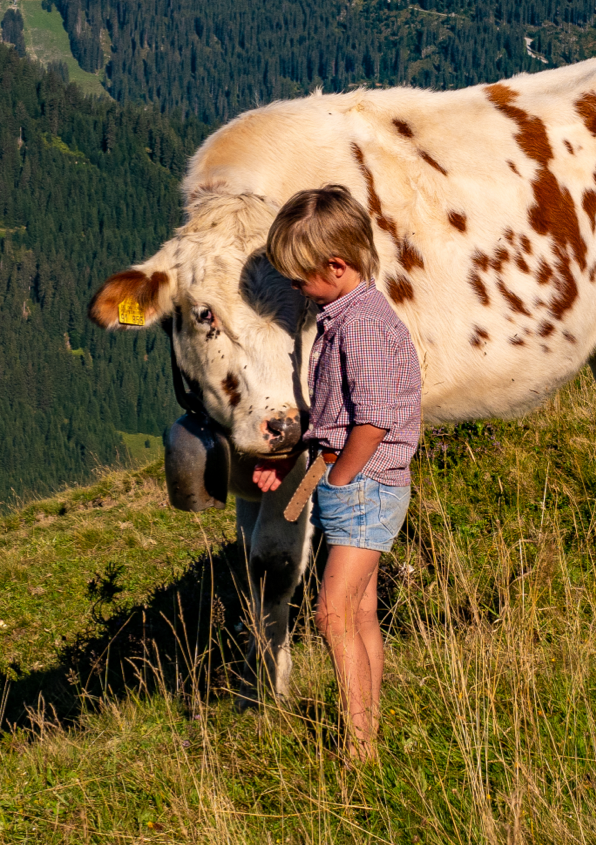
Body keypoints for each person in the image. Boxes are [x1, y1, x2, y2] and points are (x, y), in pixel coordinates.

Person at [252, 185, 422, 764]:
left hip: (365, 486)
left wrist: (341, 478)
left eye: (300, 280)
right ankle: (368, 729)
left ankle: (360, 748)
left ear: (337, 266)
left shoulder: (363, 325)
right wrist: (296, 469)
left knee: (331, 615)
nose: (296, 291)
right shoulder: (344, 315)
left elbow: (371, 420)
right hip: (358, 483)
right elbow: (338, 417)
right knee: (361, 612)